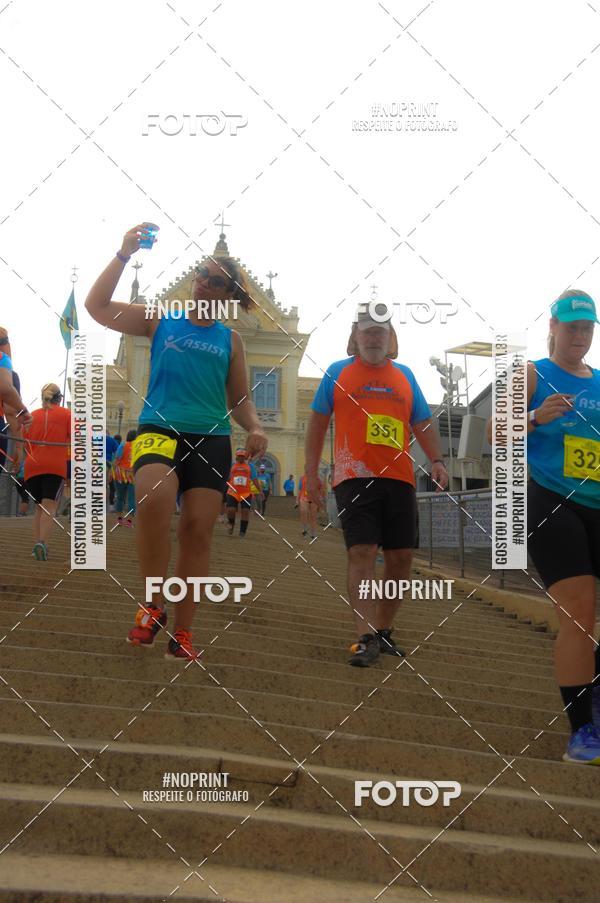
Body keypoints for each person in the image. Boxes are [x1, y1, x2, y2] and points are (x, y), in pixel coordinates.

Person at [85, 223, 267, 660]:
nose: (204, 282)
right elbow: (97, 307)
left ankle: (183, 633)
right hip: (160, 429)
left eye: (216, 281)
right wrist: (124, 253)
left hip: (211, 439)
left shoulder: (231, 339)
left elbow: (239, 398)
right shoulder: (160, 318)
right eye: (201, 274)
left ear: (227, 295)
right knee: (151, 498)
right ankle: (152, 604)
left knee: (198, 531)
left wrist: (256, 426)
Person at [487, 290, 600, 764]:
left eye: (586, 327)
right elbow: (495, 433)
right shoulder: (530, 373)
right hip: (549, 497)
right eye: (571, 326)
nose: (579, 335)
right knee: (578, 610)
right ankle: (582, 732)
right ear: (551, 328)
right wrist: (533, 417)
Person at [305, 303, 448, 667]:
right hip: (354, 477)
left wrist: (437, 460)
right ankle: (365, 635)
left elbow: (423, 423)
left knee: (401, 559)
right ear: (355, 336)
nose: (373, 337)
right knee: (362, 552)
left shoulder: (405, 376)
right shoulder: (338, 372)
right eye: (367, 331)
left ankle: (383, 630)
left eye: (380, 332)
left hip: (400, 478)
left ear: (390, 338)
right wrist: (309, 473)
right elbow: (318, 423)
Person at [22, 383, 70, 560]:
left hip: (32, 467)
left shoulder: (32, 416)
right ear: (60, 398)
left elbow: (24, 445)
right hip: (54, 466)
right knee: (50, 508)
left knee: (39, 508)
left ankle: (37, 546)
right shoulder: (67, 414)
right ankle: (42, 542)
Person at [226, 448, 256, 537]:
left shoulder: (250, 466)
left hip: (245, 492)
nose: (241, 458)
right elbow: (227, 477)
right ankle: (231, 524)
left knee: (245, 511)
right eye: (239, 456)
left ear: (245, 457)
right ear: (236, 457)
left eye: (243, 457)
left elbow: (254, 478)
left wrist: (260, 490)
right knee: (231, 510)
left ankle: (242, 531)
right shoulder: (231, 465)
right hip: (233, 492)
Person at [113, 429, 137, 527]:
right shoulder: (139, 447)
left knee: (120, 497)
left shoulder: (123, 445)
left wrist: (111, 472)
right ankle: (129, 522)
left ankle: (119, 519)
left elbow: (117, 459)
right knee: (131, 498)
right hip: (133, 474)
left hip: (121, 474)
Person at [298, 472, 321, 539]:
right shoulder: (302, 478)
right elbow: (300, 489)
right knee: (304, 512)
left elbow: (320, 489)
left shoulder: (317, 479)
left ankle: (313, 533)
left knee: (313, 516)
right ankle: (304, 529)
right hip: (304, 498)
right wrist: (298, 499)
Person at [106, 430, 119, 508]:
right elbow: (118, 452)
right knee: (111, 486)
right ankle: (111, 505)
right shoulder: (111, 440)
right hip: (108, 464)